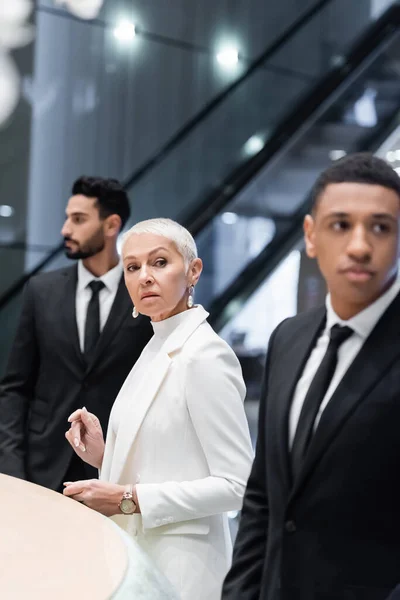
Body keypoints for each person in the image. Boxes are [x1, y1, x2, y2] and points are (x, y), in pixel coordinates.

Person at [222, 153, 400, 600]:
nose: (359, 245)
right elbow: (264, 495)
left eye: (380, 227)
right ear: (311, 236)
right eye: (341, 225)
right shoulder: (289, 338)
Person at [63, 218, 254, 600]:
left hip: (183, 569)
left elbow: (238, 484)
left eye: (160, 262)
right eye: (133, 267)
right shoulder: (157, 343)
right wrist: (106, 454)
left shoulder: (205, 354)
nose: (145, 277)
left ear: (193, 270)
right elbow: (169, 456)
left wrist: (126, 498)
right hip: (139, 557)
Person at [0, 177, 153, 492]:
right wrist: (11, 465)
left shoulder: (142, 294)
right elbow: (15, 387)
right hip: (39, 467)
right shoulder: (41, 291)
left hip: (115, 470)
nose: (65, 230)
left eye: (78, 219)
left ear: (111, 225)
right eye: (67, 218)